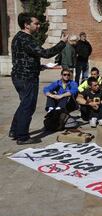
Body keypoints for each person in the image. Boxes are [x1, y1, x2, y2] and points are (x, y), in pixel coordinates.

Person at [10, 13, 67, 145]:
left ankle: (14, 130)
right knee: (28, 107)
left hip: (20, 76)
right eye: (35, 23)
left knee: (24, 104)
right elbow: (45, 53)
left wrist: (39, 66)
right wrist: (62, 43)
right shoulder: (26, 39)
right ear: (26, 25)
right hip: (27, 79)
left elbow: (22, 58)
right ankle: (22, 136)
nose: (38, 25)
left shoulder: (18, 37)